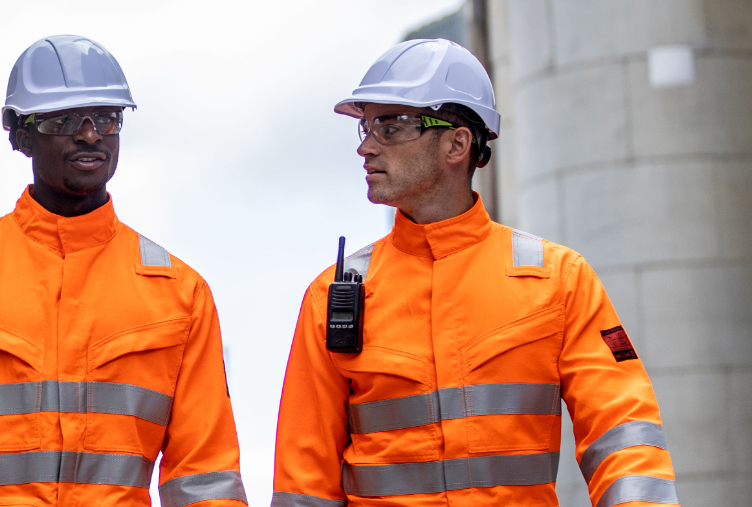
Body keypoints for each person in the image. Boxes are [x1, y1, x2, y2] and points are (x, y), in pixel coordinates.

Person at [271, 39, 679, 507]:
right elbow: (304, 484)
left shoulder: (558, 280)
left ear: (457, 144)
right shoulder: (333, 296)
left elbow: (623, 432)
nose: (366, 146)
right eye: (366, 126)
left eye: (391, 127)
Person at [0, 35, 247, 507]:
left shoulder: (178, 293)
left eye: (106, 118)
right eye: (63, 120)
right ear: (20, 134)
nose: (90, 134)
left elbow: (205, 480)